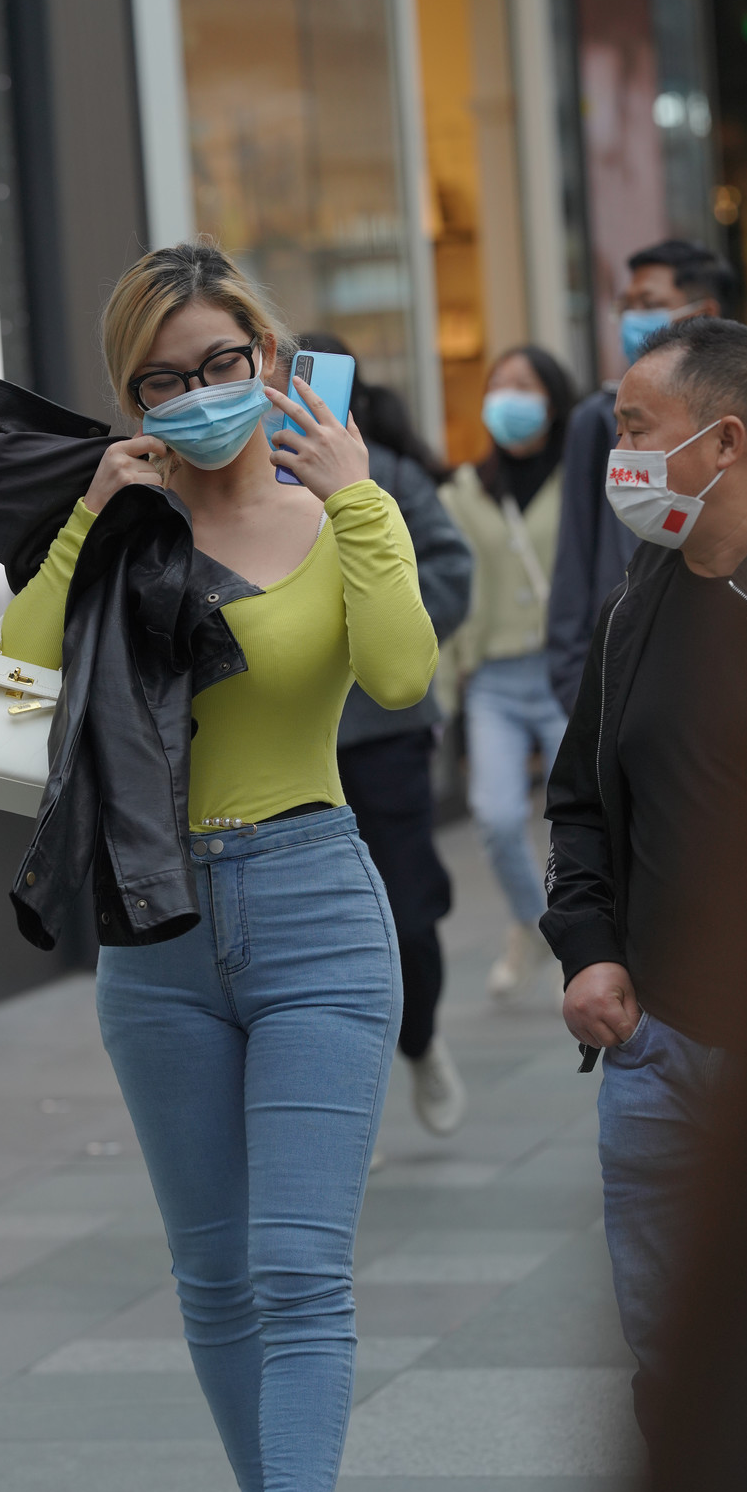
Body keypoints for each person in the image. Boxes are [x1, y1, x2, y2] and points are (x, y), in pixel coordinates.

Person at [0, 242, 437, 1492]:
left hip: (314, 909)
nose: (195, 396)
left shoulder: (339, 512)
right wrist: (87, 520)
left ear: (267, 357)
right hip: (155, 929)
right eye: (161, 380)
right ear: (129, 398)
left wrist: (357, 497)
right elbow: (18, 684)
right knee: (212, 1277)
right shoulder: (124, 535)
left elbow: (401, 675)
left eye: (218, 364)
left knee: (298, 1271)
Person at [540, 315, 747, 1435]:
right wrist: (589, 952)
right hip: (660, 1054)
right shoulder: (637, 600)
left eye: (637, 429)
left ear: (724, 440)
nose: (619, 456)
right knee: (677, 1376)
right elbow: (579, 801)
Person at [296, 333, 473, 1136]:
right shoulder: (238, 489)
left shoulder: (389, 479)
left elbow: (451, 574)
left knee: (406, 913)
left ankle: (422, 1039)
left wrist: (378, 621)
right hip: (292, 748)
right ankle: (340, 1103)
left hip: (384, 734)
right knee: (312, 939)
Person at [440, 345, 575, 1001]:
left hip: (566, 672)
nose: (508, 398)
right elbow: (451, 589)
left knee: (579, 818)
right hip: (493, 678)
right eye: (498, 385)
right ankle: (535, 923)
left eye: (523, 385)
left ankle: (586, 932)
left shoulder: (582, 477)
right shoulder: (463, 491)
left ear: (553, 399)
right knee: (494, 817)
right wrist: (448, 683)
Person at [547, 239, 734, 714]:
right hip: (627, 683)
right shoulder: (595, 422)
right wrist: (578, 687)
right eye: (626, 306)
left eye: (648, 305)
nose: (632, 319)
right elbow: (574, 559)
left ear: (703, 313)